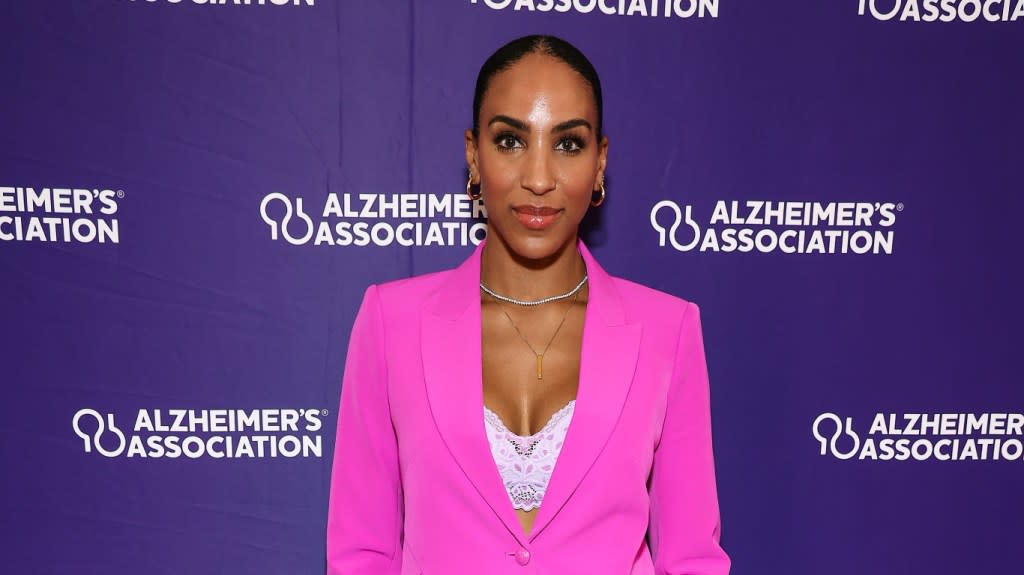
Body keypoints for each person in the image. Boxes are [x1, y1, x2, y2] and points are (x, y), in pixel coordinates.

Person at [326, 34, 730, 575]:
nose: (538, 179)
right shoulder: (389, 322)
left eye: (567, 144)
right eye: (511, 141)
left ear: (600, 161)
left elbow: (691, 559)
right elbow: (362, 553)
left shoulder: (668, 330)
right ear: (473, 154)